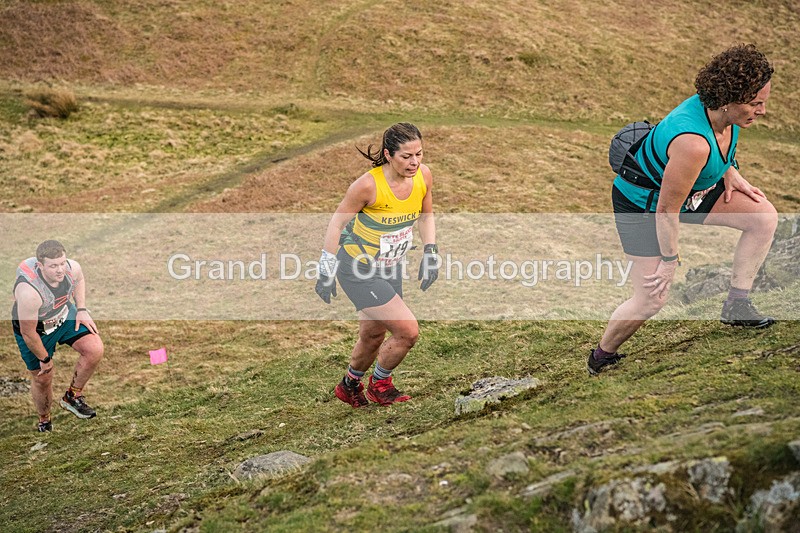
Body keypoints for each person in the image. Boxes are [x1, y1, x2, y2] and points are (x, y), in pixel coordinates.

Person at [590, 44, 778, 375]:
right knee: (652, 298)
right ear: (726, 101)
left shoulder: (727, 117)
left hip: (690, 189)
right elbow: (666, 210)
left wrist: (730, 171)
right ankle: (602, 356)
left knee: (763, 218)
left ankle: (736, 305)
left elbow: (724, 145)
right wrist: (666, 263)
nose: (762, 110)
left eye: (763, 101)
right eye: (755, 103)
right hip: (643, 205)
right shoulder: (692, 143)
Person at [315, 122, 439, 407]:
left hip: (390, 265)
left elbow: (426, 216)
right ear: (388, 154)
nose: (414, 162)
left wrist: (431, 252)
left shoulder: (424, 176)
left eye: (419, 154)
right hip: (358, 268)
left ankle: (349, 386)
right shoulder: (368, 185)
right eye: (406, 156)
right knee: (407, 331)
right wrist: (325, 271)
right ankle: (380, 385)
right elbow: (337, 222)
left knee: (373, 334)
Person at [12, 240, 104, 431]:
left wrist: (81, 309)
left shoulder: (72, 268)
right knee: (43, 378)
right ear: (40, 266)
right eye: (53, 266)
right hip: (36, 331)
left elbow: (79, 279)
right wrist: (44, 358)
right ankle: (44, 421)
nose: (60, 270)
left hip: (63, 315)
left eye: (62, 263)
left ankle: (73, 396)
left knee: (94, 349)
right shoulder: (30, 293)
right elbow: (27, 333)